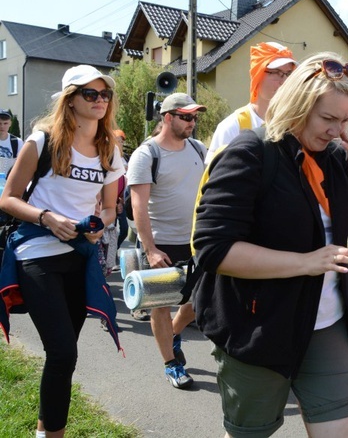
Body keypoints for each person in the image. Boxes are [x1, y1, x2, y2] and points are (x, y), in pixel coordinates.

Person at [192, 53, 348, 437]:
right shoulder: (251, 152)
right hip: (259, 327)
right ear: (298, 105)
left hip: (326, 324)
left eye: (347, 120)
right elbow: (213, 248)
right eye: (327, 118)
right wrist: (306, 262)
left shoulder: (335, 157)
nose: (337, 130)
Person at [0, 64, 125, 437]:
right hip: (36, 253)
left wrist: (97, 226)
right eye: (91, 94)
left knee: (63, 356)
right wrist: (46, 217)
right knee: (62, 354)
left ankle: (49, 430)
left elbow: (108, 207)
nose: (100, 101)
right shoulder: (41, 141)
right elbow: (7, 199)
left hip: (80, 258)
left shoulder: (109, 149)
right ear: (70, 100)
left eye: (105, 95)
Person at [127, 92, 207, 390]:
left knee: (201, 300)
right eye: (186, 117)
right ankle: (171, 364)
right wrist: (150, 249)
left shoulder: (199, 148)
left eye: (194, 117)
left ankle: (174, 332)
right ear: (168, 117)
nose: (192, 122)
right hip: (160, 243)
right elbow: (138, 205)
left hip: (197, 241)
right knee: (161, 305)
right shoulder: (146, 154)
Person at [205, 41, 296, 164]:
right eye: (276, 72)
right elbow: (214, 178)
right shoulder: (232, 128)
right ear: (257, 74)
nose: (284, 81)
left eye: (288, 74)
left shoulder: (296, 125)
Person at [0, 108, 23, 174]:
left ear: (10, 123)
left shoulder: (17, 142)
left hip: (9, 180)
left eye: (5, 123)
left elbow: (21, 164)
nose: (2, 126)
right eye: (0, 123)